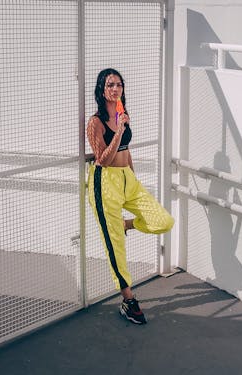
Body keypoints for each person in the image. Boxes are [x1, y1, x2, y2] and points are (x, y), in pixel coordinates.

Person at [87, 68, 174, 324]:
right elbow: (102, 159)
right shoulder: (95, 122)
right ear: (101, 89)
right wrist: (118, 130)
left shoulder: (122, 113)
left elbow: (127, 149)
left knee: (163, 221)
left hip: (127, 179)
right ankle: (128, 300)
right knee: (116, 247)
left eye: (119, 84)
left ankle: (125, 224)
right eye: (110, 84)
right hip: (105, 184)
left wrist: (133, 177)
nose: (115, 89)